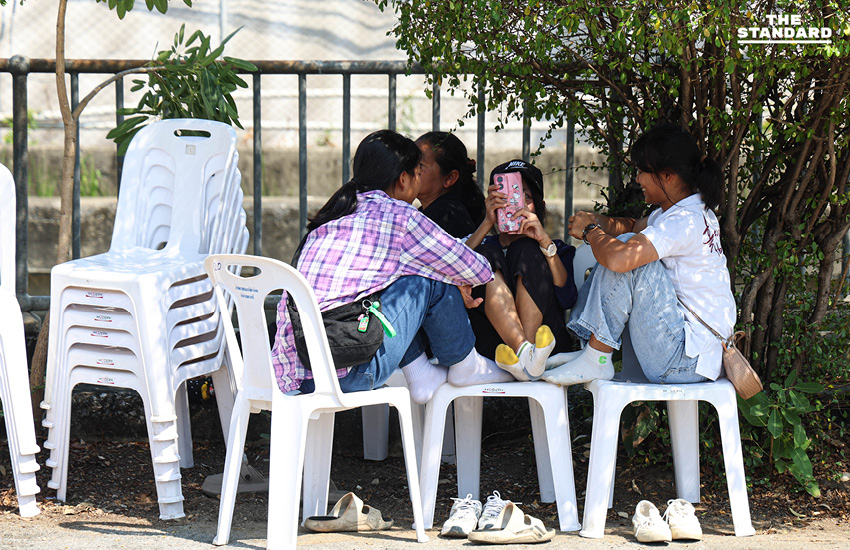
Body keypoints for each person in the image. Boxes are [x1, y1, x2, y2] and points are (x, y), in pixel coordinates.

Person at [271, 130, 513, 404]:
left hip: (296, 376)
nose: (419, 180)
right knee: (427, 276)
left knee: (416, 270)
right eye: (417, 173)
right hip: (346, 375)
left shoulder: (335, 215)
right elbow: (477, 269)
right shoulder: (401, 218)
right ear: (403, 180)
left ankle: (420, 374)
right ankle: (465, 366)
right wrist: (449, 276)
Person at [543, 123, 735, 386]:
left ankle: (597, 358)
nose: (637, 179)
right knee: (626, 242)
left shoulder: (683, 221)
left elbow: (622, 258)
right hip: (690, 355)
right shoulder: (683, 212)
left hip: (683, 362)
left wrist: (590, 232)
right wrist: (598, 221)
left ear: (668, 176)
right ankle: (592, 353)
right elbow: (633, 226)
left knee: (630, 258)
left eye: (642, 172)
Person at [463, 160, 578, 381]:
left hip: (546, 342)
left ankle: (528, 357)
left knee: (526, 248)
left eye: (526, 196)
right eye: (506, 197)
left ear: (539, 204)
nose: (518, 204)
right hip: (496, 347)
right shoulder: (485, 246)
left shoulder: (555, 248)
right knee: (486, 254)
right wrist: (487, 222)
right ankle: (527, 356)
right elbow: (453, 270)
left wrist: (544, 242)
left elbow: (568, 298)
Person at [415, 131, 485, 238]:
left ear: (449, 178)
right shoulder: (429, 211)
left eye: (420, 165)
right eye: (410, 162)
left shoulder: (448, 217)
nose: (411, 170)